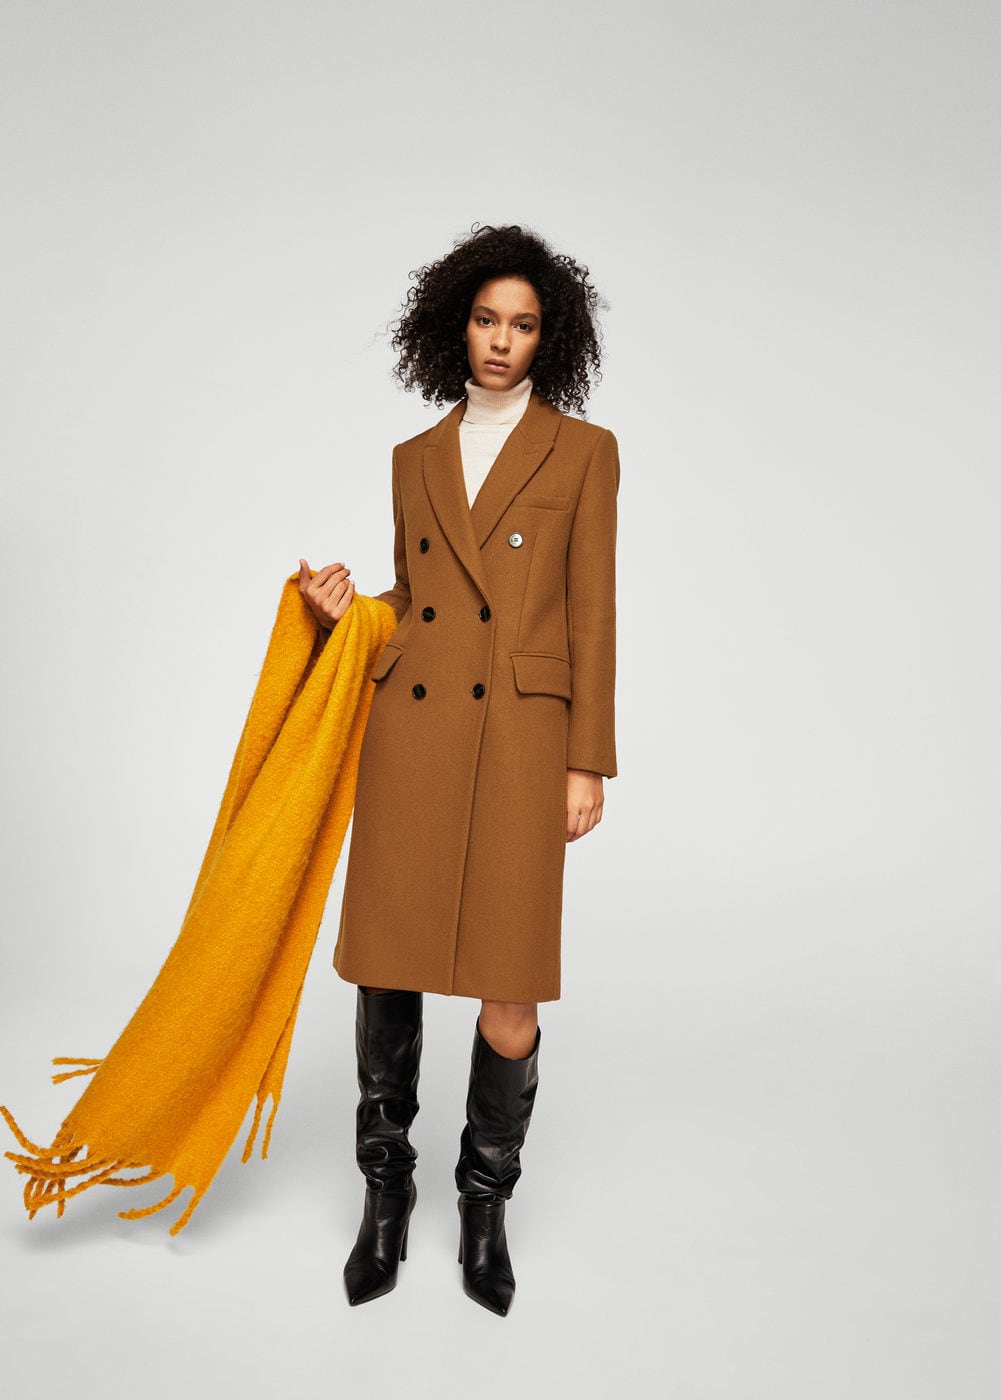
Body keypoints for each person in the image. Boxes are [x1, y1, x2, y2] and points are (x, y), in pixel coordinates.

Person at [297, 224, 619, 1317]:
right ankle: (384, 1199)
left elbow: (591, 614)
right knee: (386, 969)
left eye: (522, 325)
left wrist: (586, 760)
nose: (500, 340)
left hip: (523, 740)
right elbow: (416, 603)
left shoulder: (583, 452)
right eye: (486, 319)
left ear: (547, 339)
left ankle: (484, 1205)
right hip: (416, 734)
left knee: (509, 985)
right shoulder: (414, 457)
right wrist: (347, 615)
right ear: (455, 325)